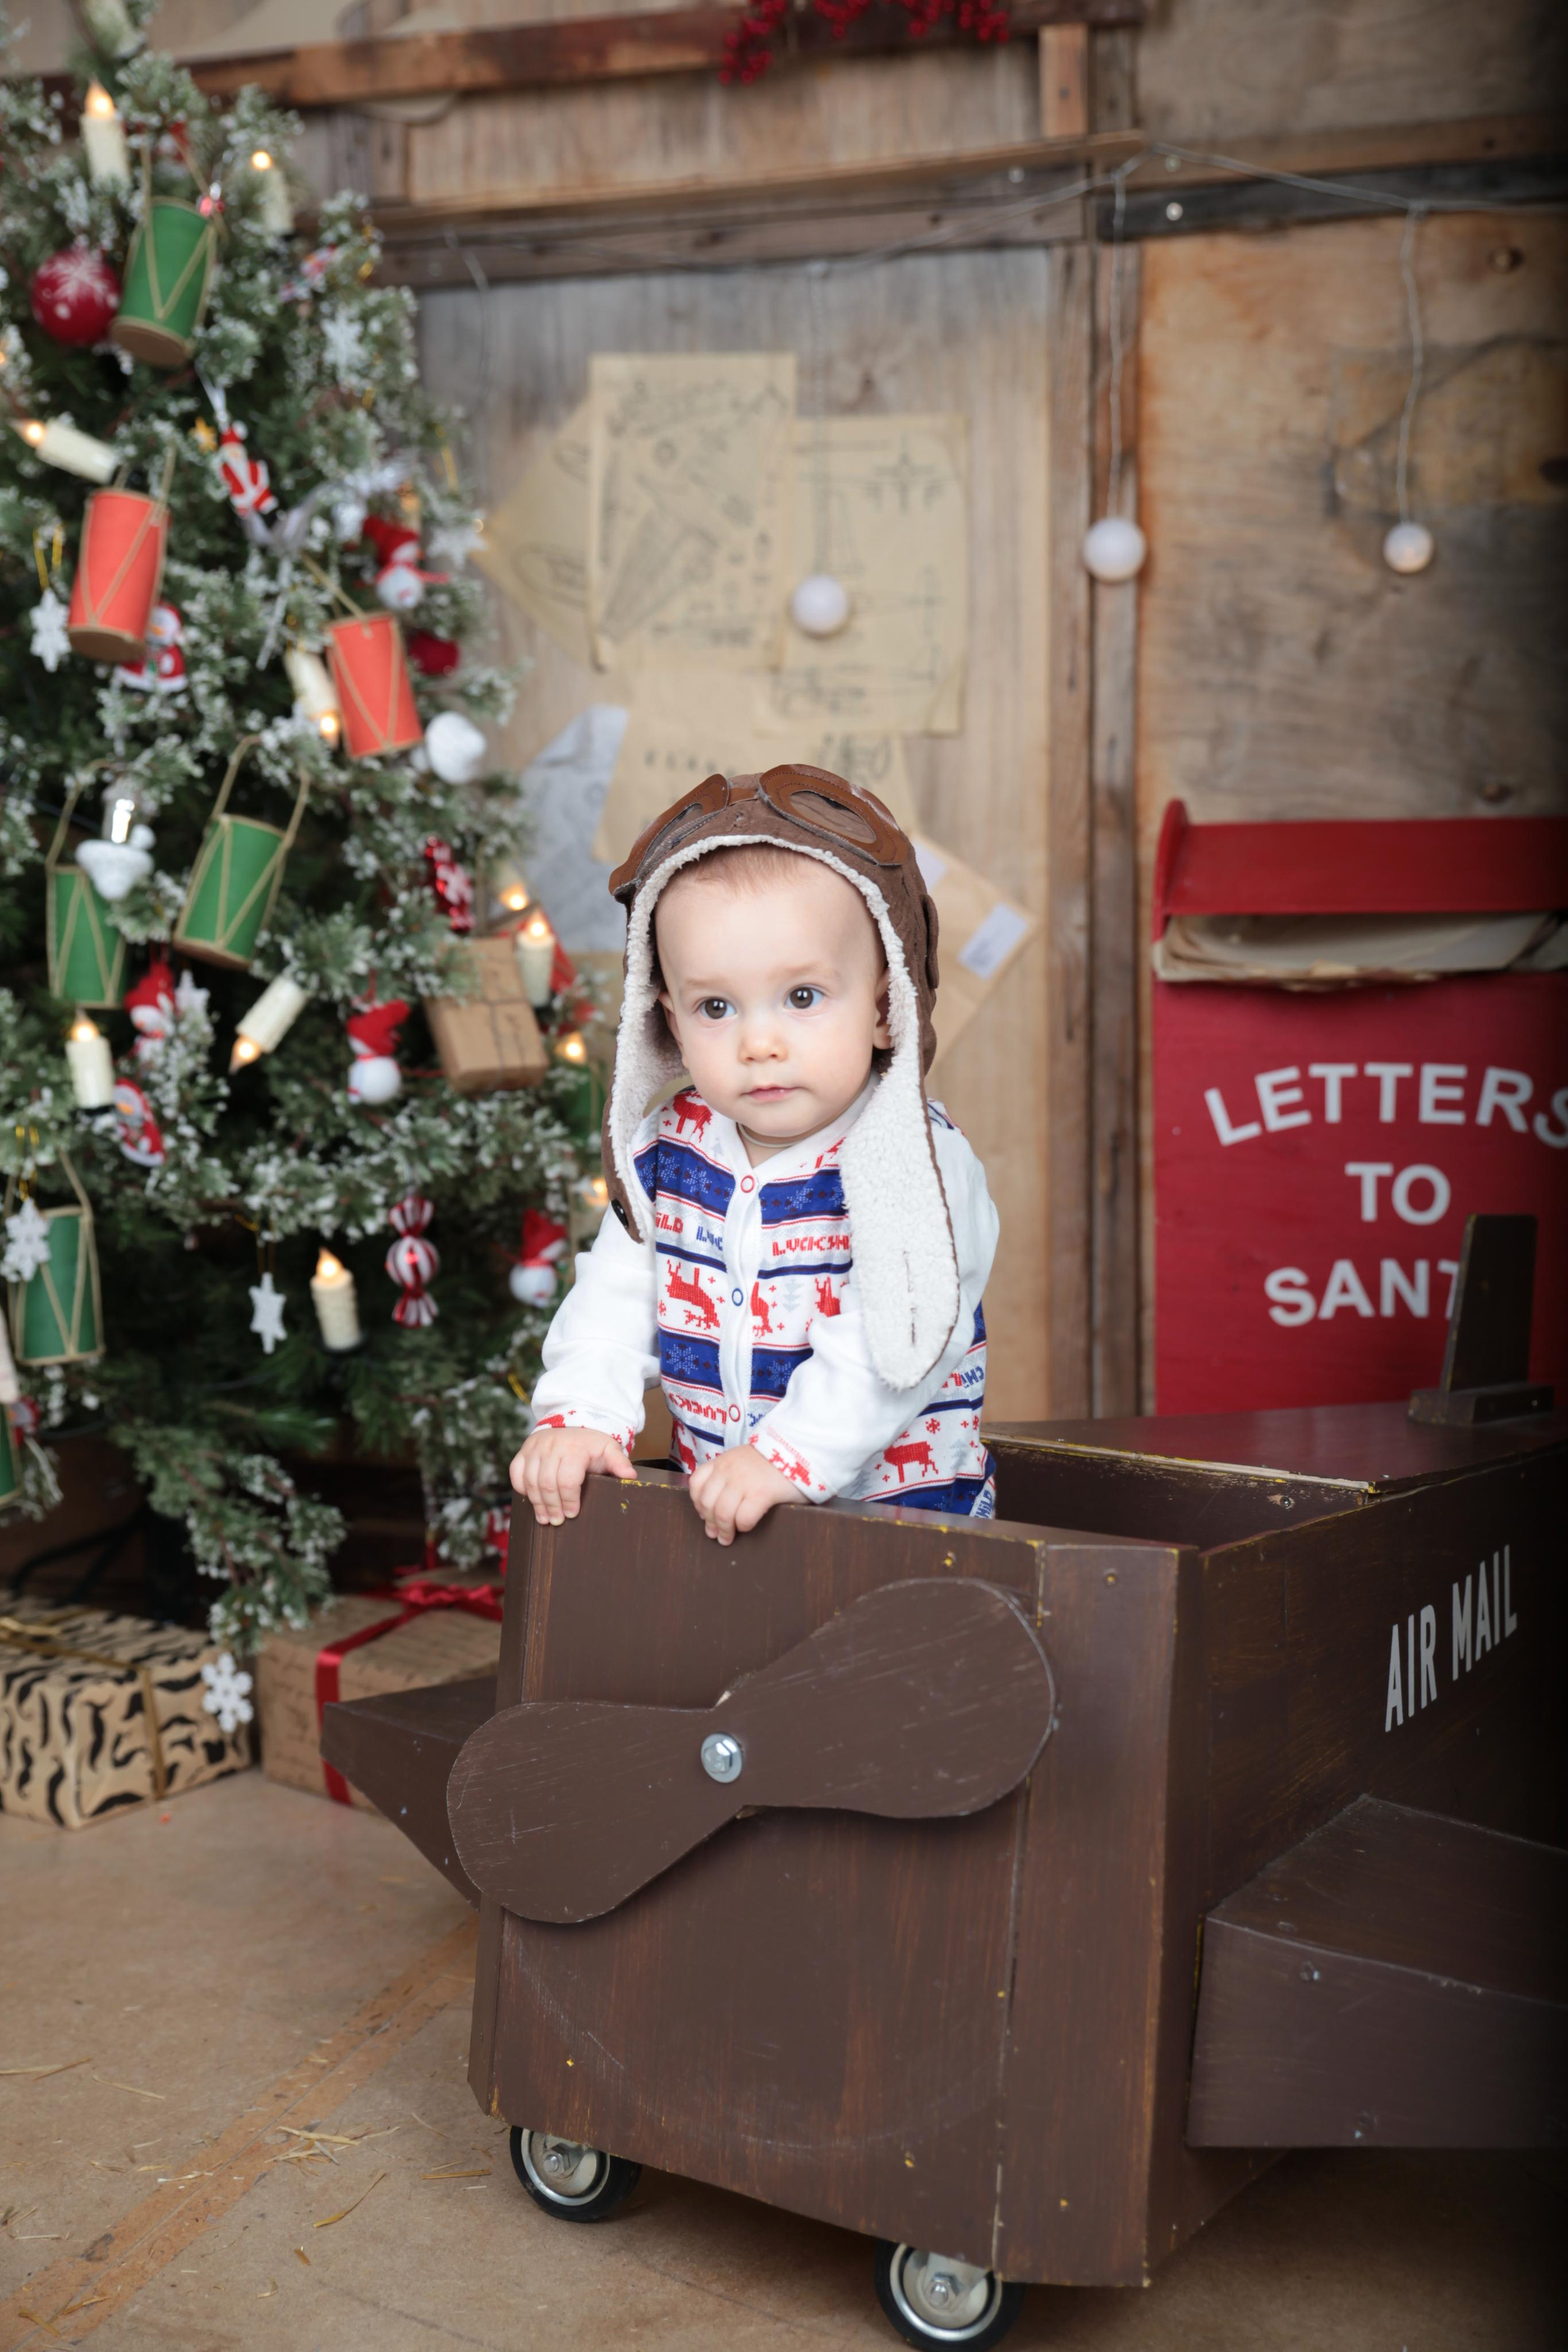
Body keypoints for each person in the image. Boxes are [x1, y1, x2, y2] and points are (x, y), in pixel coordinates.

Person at [510, 765, 999, 1545]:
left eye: (802, 997)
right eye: (715, 1006)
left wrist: (789, 1456)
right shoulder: (668, 1151)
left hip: (902, 1526)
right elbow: (614, 1296)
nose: (758, 1043)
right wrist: (581, 1413)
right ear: (670, 1024)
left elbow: (896, 1340)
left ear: (884, 1007)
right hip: (723, 1510)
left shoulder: (914, 1162)